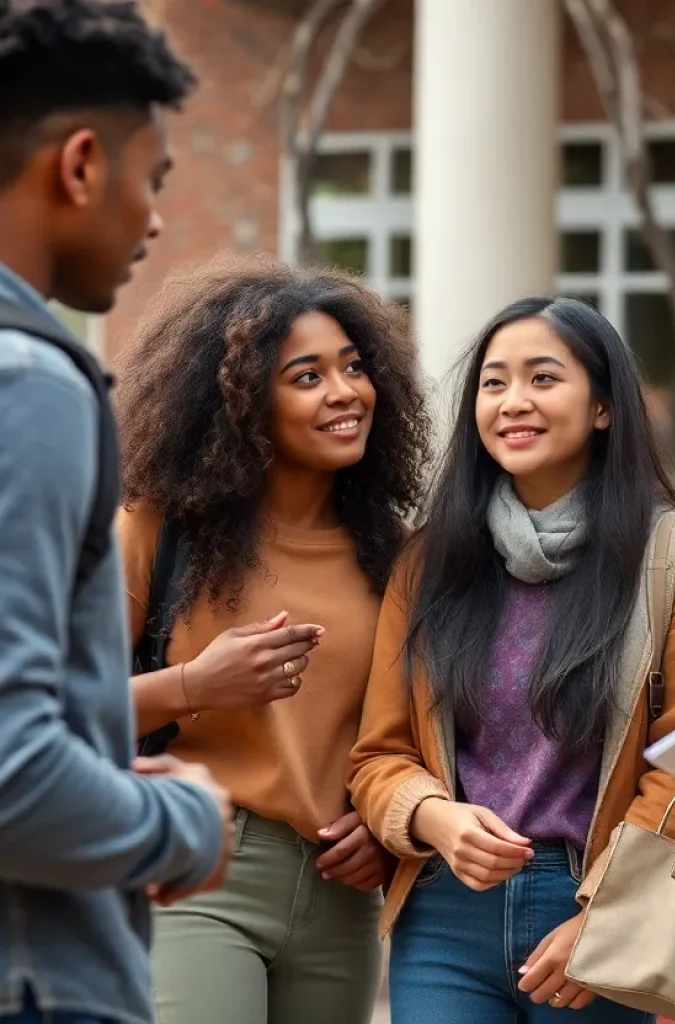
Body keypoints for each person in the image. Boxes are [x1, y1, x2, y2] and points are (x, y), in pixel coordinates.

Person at [348, 296, 675, 1024]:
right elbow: (379, 755)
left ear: (602, 408)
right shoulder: (430, 561)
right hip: (443, 914)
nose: (513, 402)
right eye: (494, 383)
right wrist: (434, 817)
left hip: (595, 907)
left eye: (543, 378)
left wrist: (605, 914)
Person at [113, 253, 429, 1024]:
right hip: (197, 871)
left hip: (339, 893)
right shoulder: (155, 532)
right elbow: (44, 713)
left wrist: (385, 826)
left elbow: (414, 733)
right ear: (242, 403)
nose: (346, 392)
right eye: (308, 376)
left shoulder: (398, 556)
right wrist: (194, 686)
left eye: (354, 368)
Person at [0, 3, 235, 1024]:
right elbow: (8, 773)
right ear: (81, 164)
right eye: (154, 178)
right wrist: (182, 819)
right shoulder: (31, 383)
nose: (151, 220)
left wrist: (99, 772)